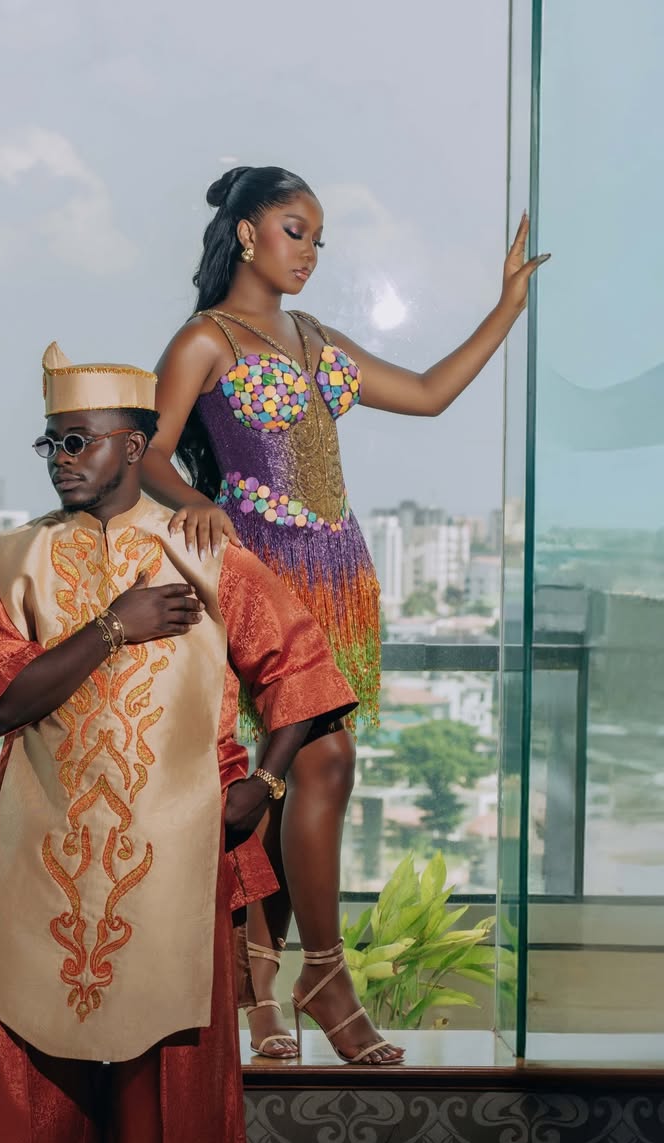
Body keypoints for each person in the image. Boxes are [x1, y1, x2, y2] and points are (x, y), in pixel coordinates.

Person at [0, 341, 356, 1143]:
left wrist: (267, 781)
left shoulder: (205, 551)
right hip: (39, 850)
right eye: (51, 442)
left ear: (133, 446)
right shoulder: (11, 561)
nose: (61, 459)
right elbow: (6, 699)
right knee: (9, 1065)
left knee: (144, 1068)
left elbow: (299, 664)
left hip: (169, 855)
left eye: (79, 441)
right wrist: (114, 627)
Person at [141, 164, 548, 1061]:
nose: (311, 253)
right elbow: (151, 455)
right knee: (325, 758)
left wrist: (508, 305)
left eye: (319, 239)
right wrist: (194, 503)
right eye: (296, 231)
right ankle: (323, 974)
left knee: (291, 777)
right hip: (258, 573)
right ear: (246, 233)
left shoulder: (318, 338)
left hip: (338, 576)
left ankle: (260, 984)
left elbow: (431, 394)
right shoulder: (205, 339)